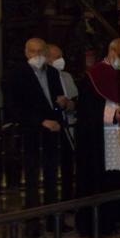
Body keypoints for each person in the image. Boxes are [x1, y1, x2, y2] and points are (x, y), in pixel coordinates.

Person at [75, 38, 120, 237]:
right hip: (106, 136)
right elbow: (88, 110)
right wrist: (113, 114)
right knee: (109, 180)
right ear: (112, 51)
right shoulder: (93, 75)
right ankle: (106, 221)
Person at [6, 37, 72, 238]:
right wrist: (40, 121)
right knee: (33, 179)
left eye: (41, 52)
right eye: (33, 52)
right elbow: (14, 108)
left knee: (53, 177)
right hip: (31, 132)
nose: (37, 56)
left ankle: (54, 220)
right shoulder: (17, 75)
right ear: (26, 53)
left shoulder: (52, 73)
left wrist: (61, 104)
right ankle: (33, 224)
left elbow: (55, 101)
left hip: (52, 132)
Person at [47, 43, 78, 199]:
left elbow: (74, 99)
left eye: (61, 56)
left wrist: (70, 104)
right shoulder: (45, 76)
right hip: (52, 126)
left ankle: (67, 198)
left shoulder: (66, 76)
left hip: (68, 124)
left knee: (68, 164)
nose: (61, 60)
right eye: (57, 57)